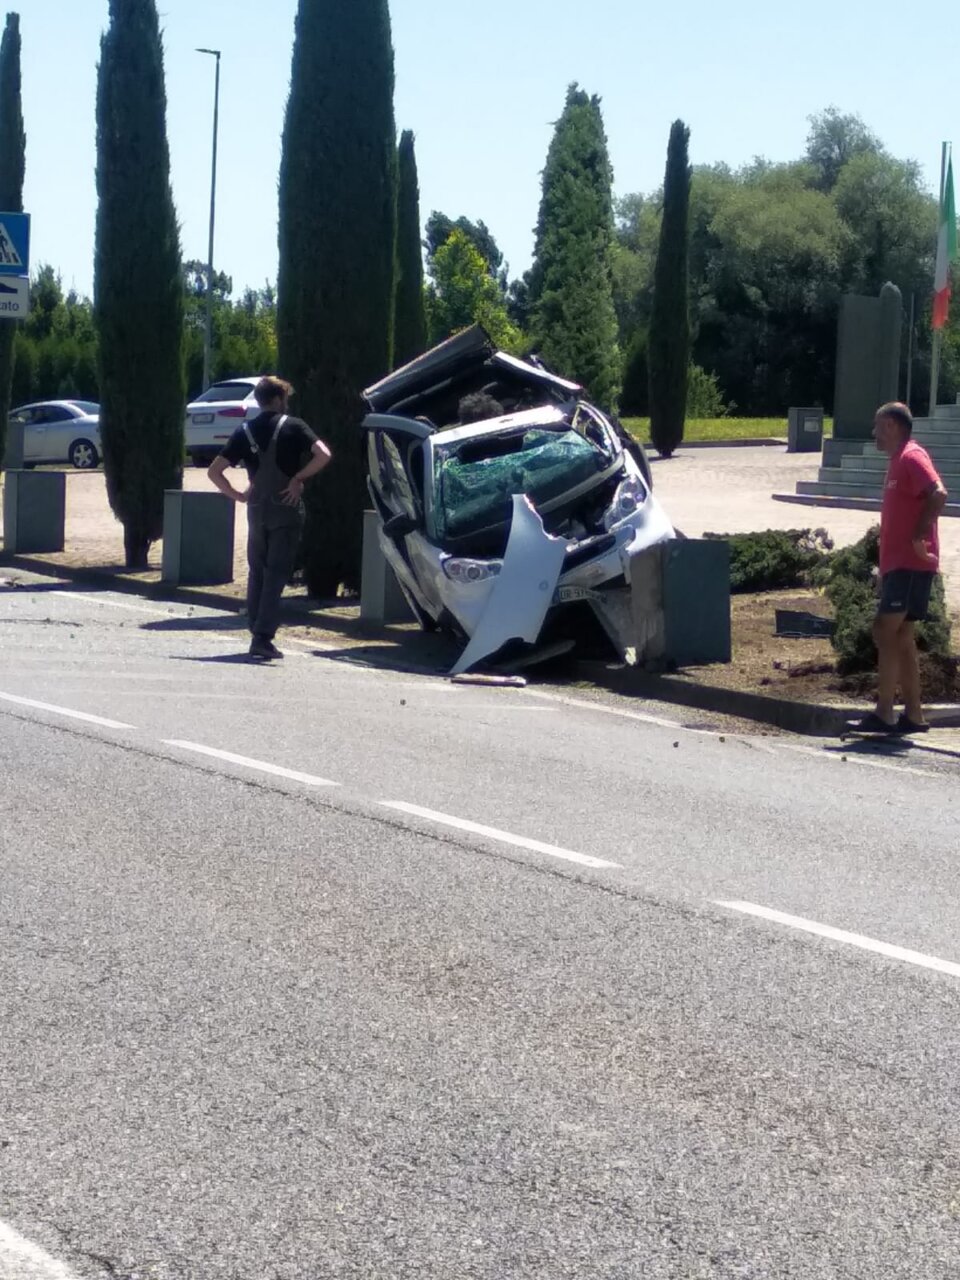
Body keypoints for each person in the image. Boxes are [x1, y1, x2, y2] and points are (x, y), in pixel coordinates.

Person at [207, 376, 332, 661]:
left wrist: (237, 495)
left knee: (257, 571)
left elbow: (214, 471)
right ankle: (262, 637)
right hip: (285, 507)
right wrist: (298, 478)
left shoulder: (244, 431)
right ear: (278, 399)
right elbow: (324, 454)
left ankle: (255, 628)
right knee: (276, 573)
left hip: (256, 508)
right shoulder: (294, 425)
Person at [854, 401, 948, 733]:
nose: (874, 433)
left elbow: (937, 493)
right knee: (903, 635)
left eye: (878, 426)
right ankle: (913, 715)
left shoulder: (911, 456)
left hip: (911, 565)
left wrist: (919, 538)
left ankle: (884, 712)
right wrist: (885, 571)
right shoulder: (898, 461)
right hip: (900, 567)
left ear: (892, 426)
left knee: (884, 630)